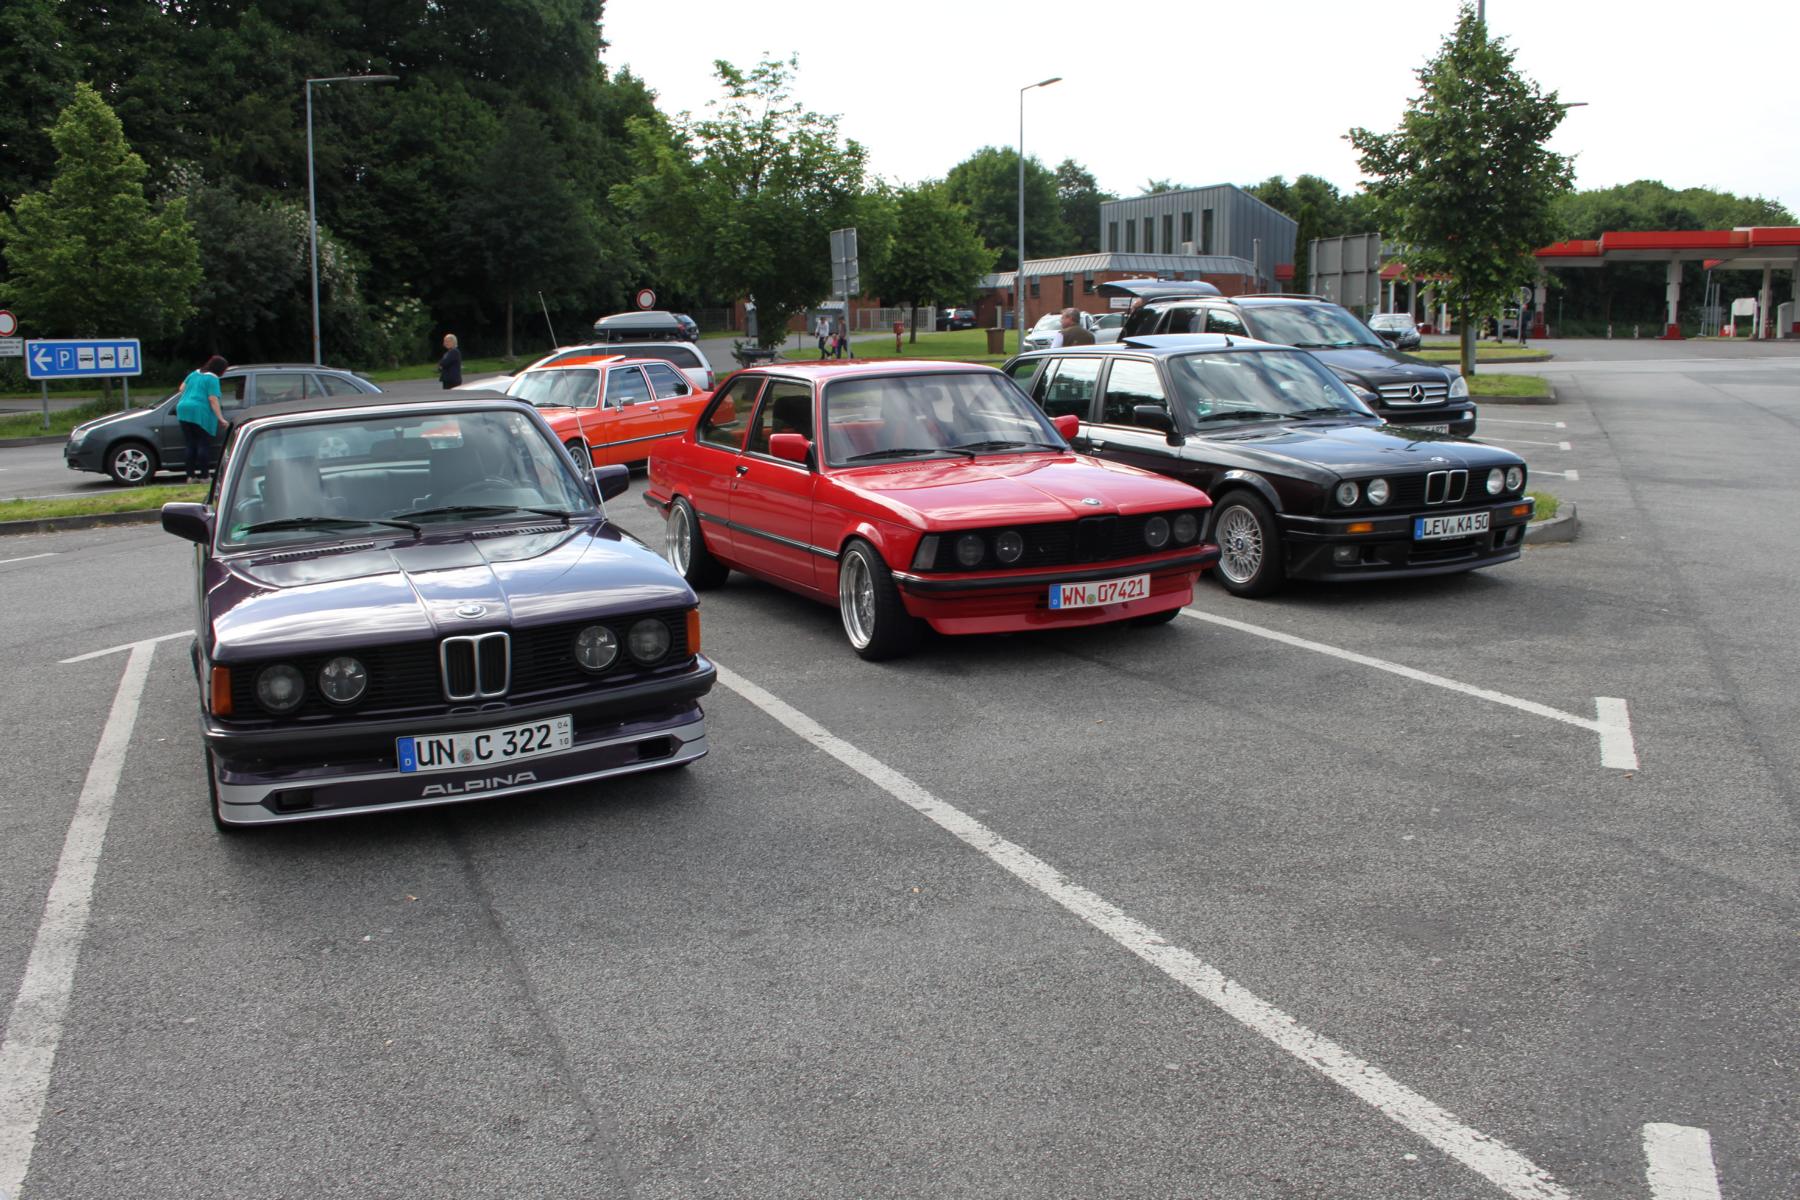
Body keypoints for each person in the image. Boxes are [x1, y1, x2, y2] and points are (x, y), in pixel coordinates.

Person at [175, 355, 229, 482]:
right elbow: (213, 399)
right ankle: (205, 476)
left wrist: (192, 394)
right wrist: (221, 418)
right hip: (199, 412)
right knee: (203, 444)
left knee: (190, 443)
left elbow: (181, 388)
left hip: (183, 409)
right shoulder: (213, 379)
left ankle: (190, 476)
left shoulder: (195, 373)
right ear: (220, 369)